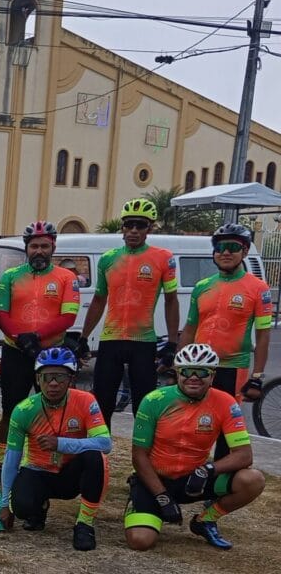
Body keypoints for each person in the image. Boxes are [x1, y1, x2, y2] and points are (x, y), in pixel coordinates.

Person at [124, 343, 265, 551]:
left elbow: (244, 455)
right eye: (187, 371)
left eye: (202, 372)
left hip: (194, 480)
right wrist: (162, 497)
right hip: (155, 479)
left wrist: (208, 469)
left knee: (253, 480)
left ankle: (205, 520)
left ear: (212, 375)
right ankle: (140, 504)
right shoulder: (154, 400)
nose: (194, 377)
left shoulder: (226, 402)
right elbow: (139, 456)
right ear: (178, 372)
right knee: (140, 541)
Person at [0, 347, 110, 551]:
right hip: (39, 471)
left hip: (70, 474)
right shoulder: (24, 410)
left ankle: (84, 524)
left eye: (60, 377)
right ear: (38, 379)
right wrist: (5, 504)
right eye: (47, 377)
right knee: (21, 507)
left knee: (96, 458)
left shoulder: (86, 401)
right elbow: (12, 459)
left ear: (71, 379)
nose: (53, 384)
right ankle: (39, 508)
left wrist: (60, 443)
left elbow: (105, 443)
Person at [79, 199, 179, 426]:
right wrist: (84, 337)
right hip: (111, 339)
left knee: (144, 406)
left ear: (149, 229)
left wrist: (172, 343)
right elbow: (98, 300)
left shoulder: (163, 258)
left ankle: (142, 458)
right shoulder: (108, 259)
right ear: (122, 227)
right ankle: (100, 457)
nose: (134, 230)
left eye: (140, 225)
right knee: (102, 403)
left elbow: (171, 301)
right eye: (129, 224)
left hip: (143, 341)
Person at [0, 221, 80, 470]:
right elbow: (1, 314)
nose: (39, 251)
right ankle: (3, 459)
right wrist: (21, 339)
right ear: (26, 248)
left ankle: (42, 460)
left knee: (50, 408)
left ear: (53, 247)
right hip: (15, 351)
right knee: (10, 408)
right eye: (33, 246)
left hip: (50, 354)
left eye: (44, 246)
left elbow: (68, 317)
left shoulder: (66, 278)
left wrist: (36, 337)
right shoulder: (10, 277)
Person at [179, 223, 271, 458]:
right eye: (220, 247)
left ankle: (219, 483)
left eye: (233, 247)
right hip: (198, 368)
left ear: (245, 251)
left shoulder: (258, 288)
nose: (226, 252)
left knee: (226, 429)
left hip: (232, 367)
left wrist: (257, 376)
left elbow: (262, 335)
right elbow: (189, 329)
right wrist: (177, 365)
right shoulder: (202, 287)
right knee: (191, 423)